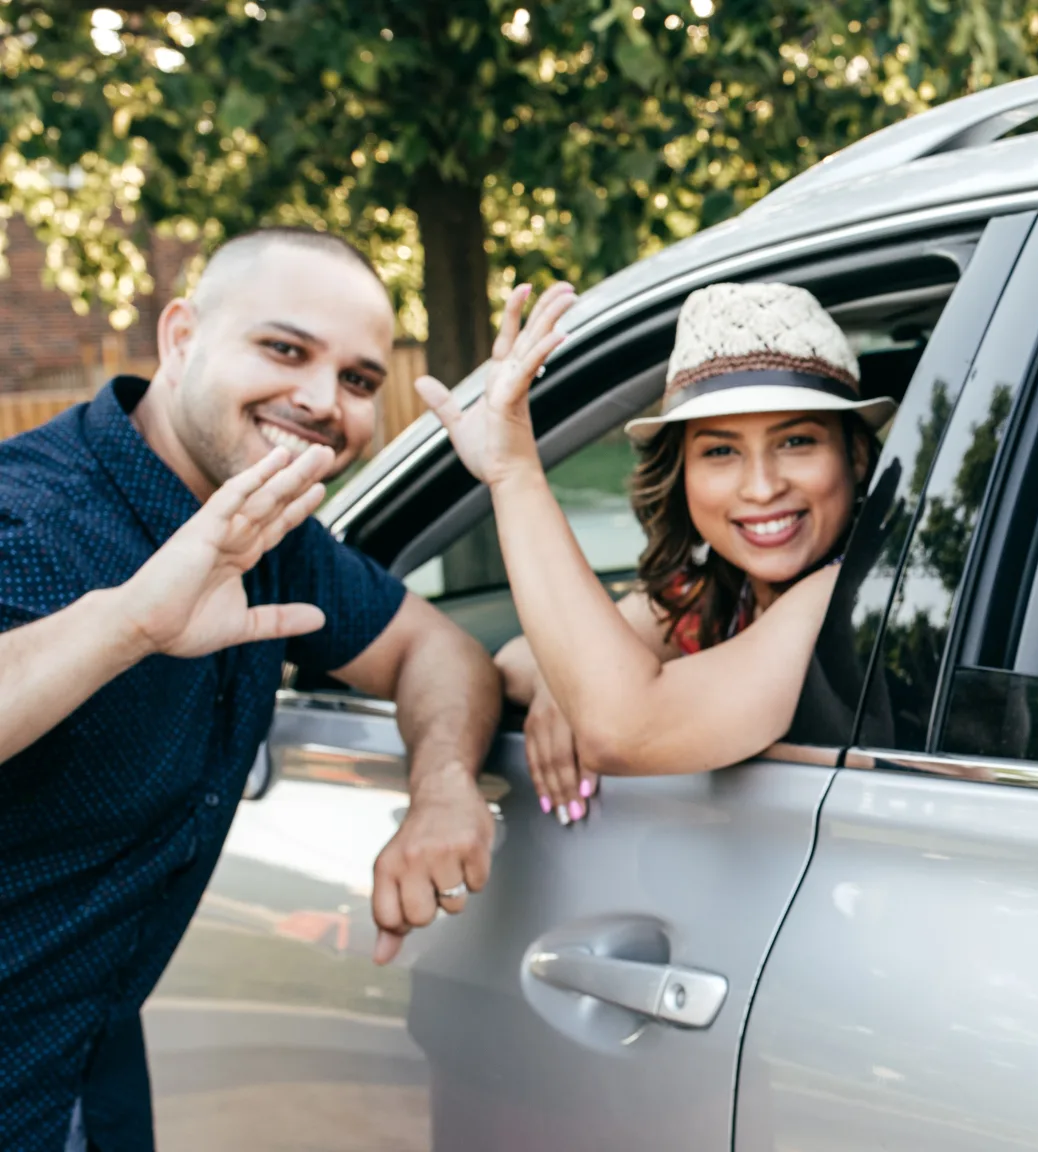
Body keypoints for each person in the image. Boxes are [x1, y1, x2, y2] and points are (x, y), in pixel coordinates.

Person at [0, 228, 502, 1152]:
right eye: (284, 350)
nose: (322, 400)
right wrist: (130, 623)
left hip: (87, 1078)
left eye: (357, 379)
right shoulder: (28, 512)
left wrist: (440, 788)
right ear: (182, 335)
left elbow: (437, 651)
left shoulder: (273, 536)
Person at [419, 281, 886, 814]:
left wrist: (513, 474)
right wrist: (565, 682)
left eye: (796, 441)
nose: (761, 486)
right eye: (720, 451)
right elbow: (514, 660)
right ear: (681, 472)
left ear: (855, 457)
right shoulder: (717, 594)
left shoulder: (847, 594)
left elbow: (623, 727)